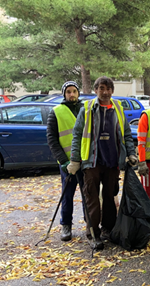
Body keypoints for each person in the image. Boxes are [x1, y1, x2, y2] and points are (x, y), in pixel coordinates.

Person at [69, 76, 137, 250]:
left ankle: (108, 229)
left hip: (112, 162)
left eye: (108, 88)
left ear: (112, 91)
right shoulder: (87, 109)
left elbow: (127, 135)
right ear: (95, 90)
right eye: (101, 88)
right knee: (92, 198)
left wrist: (130, 154)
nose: (105, 92)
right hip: (92, 162)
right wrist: (75, 160)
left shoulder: (118, 109)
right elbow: (77, 135)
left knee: (109, 196)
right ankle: (93, 234)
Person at [46, 81, 84, 241]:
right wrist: (63, 161)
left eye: (74, 91)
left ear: (78, 93)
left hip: (86, 162)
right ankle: (66, 225)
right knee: (67, 196)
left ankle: (90, 224)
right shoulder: (56, 112)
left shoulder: (86, 110)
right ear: (64, 94)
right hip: (67, 164)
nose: (71, 94)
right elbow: (52, 139)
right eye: (68, 91)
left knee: (88, 196)